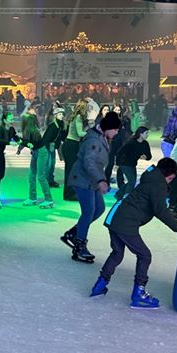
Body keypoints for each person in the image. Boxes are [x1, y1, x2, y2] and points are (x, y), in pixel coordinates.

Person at [90, 158, 177, 309]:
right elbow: (161, 210)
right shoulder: (158, 185)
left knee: (117, 253)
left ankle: (99, 286)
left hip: (115, 217)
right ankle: (139, 293)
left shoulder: (150, 178)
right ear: (170, 176)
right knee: (144, 255)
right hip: (126, 223)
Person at [61, 112, 121, 263]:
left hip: (91, 180)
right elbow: (89, 162)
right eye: (115, 129)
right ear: (107, 128)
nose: (117, 132)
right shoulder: (93, 140)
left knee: (99, 209)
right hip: (82, 179)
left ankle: (74, 233)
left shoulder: (103, 137)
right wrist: (101, 180)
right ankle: (79, 245)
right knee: (88, 212)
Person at [114, 126, 152, 200]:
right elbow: (120, 152)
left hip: (132, 164)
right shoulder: (131, 142)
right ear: (141, 134)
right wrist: (117, 164)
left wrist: (146, 157)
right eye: (146, 133)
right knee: (132, 181)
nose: (147, 135)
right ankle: (126, 197)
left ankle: (119, 195)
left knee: (132, 182)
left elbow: (149, 156)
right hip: (124, 163)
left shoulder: (145, 144)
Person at [61, 99, 88, 201]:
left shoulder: (75, 117)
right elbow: (80, 133)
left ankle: (70, 193)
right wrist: (90, 132)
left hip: (70, 144)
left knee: (71, 170)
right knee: (71, 171)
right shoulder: (79, 117)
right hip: (71, 145)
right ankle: (69, 194)